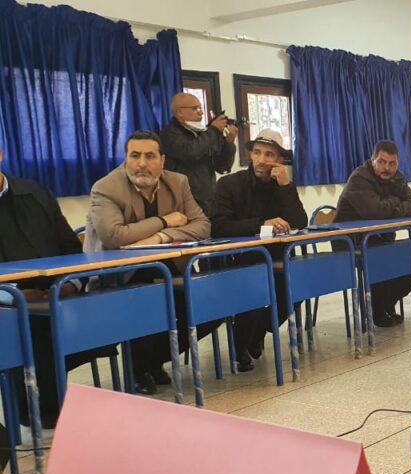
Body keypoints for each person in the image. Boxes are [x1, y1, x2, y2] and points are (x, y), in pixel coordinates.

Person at [84, 130, 211, 393]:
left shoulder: (178, 182)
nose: (142, 163)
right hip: (118, 275)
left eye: (150, 156)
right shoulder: (106, 187)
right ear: (125, 158)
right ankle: (138, 369)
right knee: (147, 292)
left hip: (168, 268)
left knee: (210, 302)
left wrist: (160, 236)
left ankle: (154, 360)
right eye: (135, 156)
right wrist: (165, 221)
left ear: (162, 160)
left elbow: (202, 225)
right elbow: (114, 236)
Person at [0, 146, 99, 431]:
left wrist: (71, 283)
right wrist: (13, 295)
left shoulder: (36, 193)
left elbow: (71, 250)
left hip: (55, 294)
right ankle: (38, 408)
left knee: (103, 315)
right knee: (30, 327)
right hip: (7, 303)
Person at [208, 129, 307, 370]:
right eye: (257, 152)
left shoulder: (281, 185)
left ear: (279, 159)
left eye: (269, 154)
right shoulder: (229, 184)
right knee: (253, 286)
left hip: (276, 256)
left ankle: (257, 334)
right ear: (250, 155)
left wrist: (286, 186)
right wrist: (262, 224)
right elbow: (218, 226)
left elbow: (299, 222)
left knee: (294, 288)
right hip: (240, 258)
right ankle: (241, 344)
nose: (262, 160)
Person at [334, 140, 411, 327]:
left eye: (392, 163)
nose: (387, 168)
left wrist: (389, 205)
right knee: (382, 257)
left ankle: (385, 304)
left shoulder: (397, 178)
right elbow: (376, 211)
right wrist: (396, 200)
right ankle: (378, 309)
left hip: (380, 238)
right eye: (381, 162)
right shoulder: (359, 178)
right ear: (372, 160)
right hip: (351, 241)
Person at [160, 93, 238, 212]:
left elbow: (222, 167)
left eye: (200, 108)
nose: (201, 112)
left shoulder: (203, 134)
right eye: (195, 108)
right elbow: (191, 152)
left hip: (207, 201)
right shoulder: (169, 133)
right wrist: (213, 130)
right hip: (181, 202)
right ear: (180, 112)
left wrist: (229, 144)